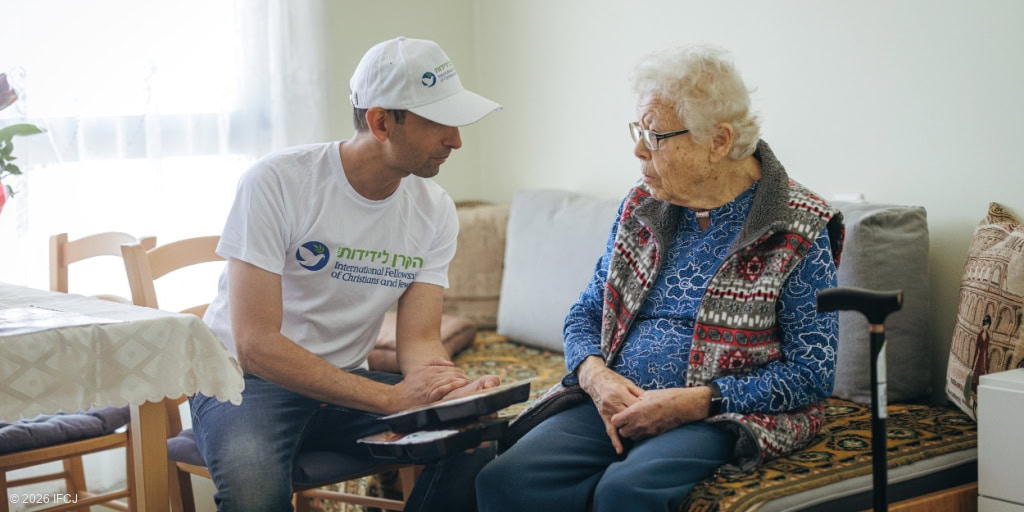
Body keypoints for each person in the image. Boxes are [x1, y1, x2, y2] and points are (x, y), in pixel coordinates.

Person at [477, 45, 844, 512]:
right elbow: (586, 312)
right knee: (506, 478)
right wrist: (596, 379)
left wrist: (693, 402)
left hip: (716, 414)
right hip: (615, 399)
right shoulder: (641, 207)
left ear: (718, 140)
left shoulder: (798, 225)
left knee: (625, 493)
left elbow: (812, 374)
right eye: (638, 130)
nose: (636, 149)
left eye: (654, 136)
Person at [191, 36, 502, 512]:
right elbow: (255, 346)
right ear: (381, 122)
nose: (455, 140)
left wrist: (447, 389)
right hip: (245, 384)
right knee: (255, 494)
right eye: (438, 123)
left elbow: (417, 341)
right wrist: (392, 400)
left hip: (343, 387)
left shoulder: (434, 210)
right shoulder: (277, 182)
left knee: (477, 440)